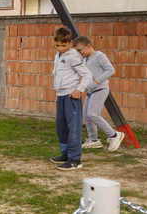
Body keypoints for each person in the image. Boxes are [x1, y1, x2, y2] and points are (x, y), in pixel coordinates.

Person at [51, 27, 93, 171]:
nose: (60, 48)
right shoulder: (58, 56)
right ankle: (66, 154)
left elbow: (87, 75)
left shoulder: (73, 56)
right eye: (57, 45)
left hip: (71, 96)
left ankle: (75, 160)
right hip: (61, 96)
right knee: (61, 127)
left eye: (64, 45)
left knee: (73, 127)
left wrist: (79, 90)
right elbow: (59, 76)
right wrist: (57, 95)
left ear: (70, 43)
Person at [73, 36, 125, 152]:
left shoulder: (100, 56)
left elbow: (111, 70)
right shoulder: (85, 60)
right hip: (90, 91)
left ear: (88, 46)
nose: (80, 53)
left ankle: (114, 135)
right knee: (87, 115)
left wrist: (96, 81)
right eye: (77, 51)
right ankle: (94, 140)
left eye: (80, 50)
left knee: (93, 114)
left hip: (100, 89)